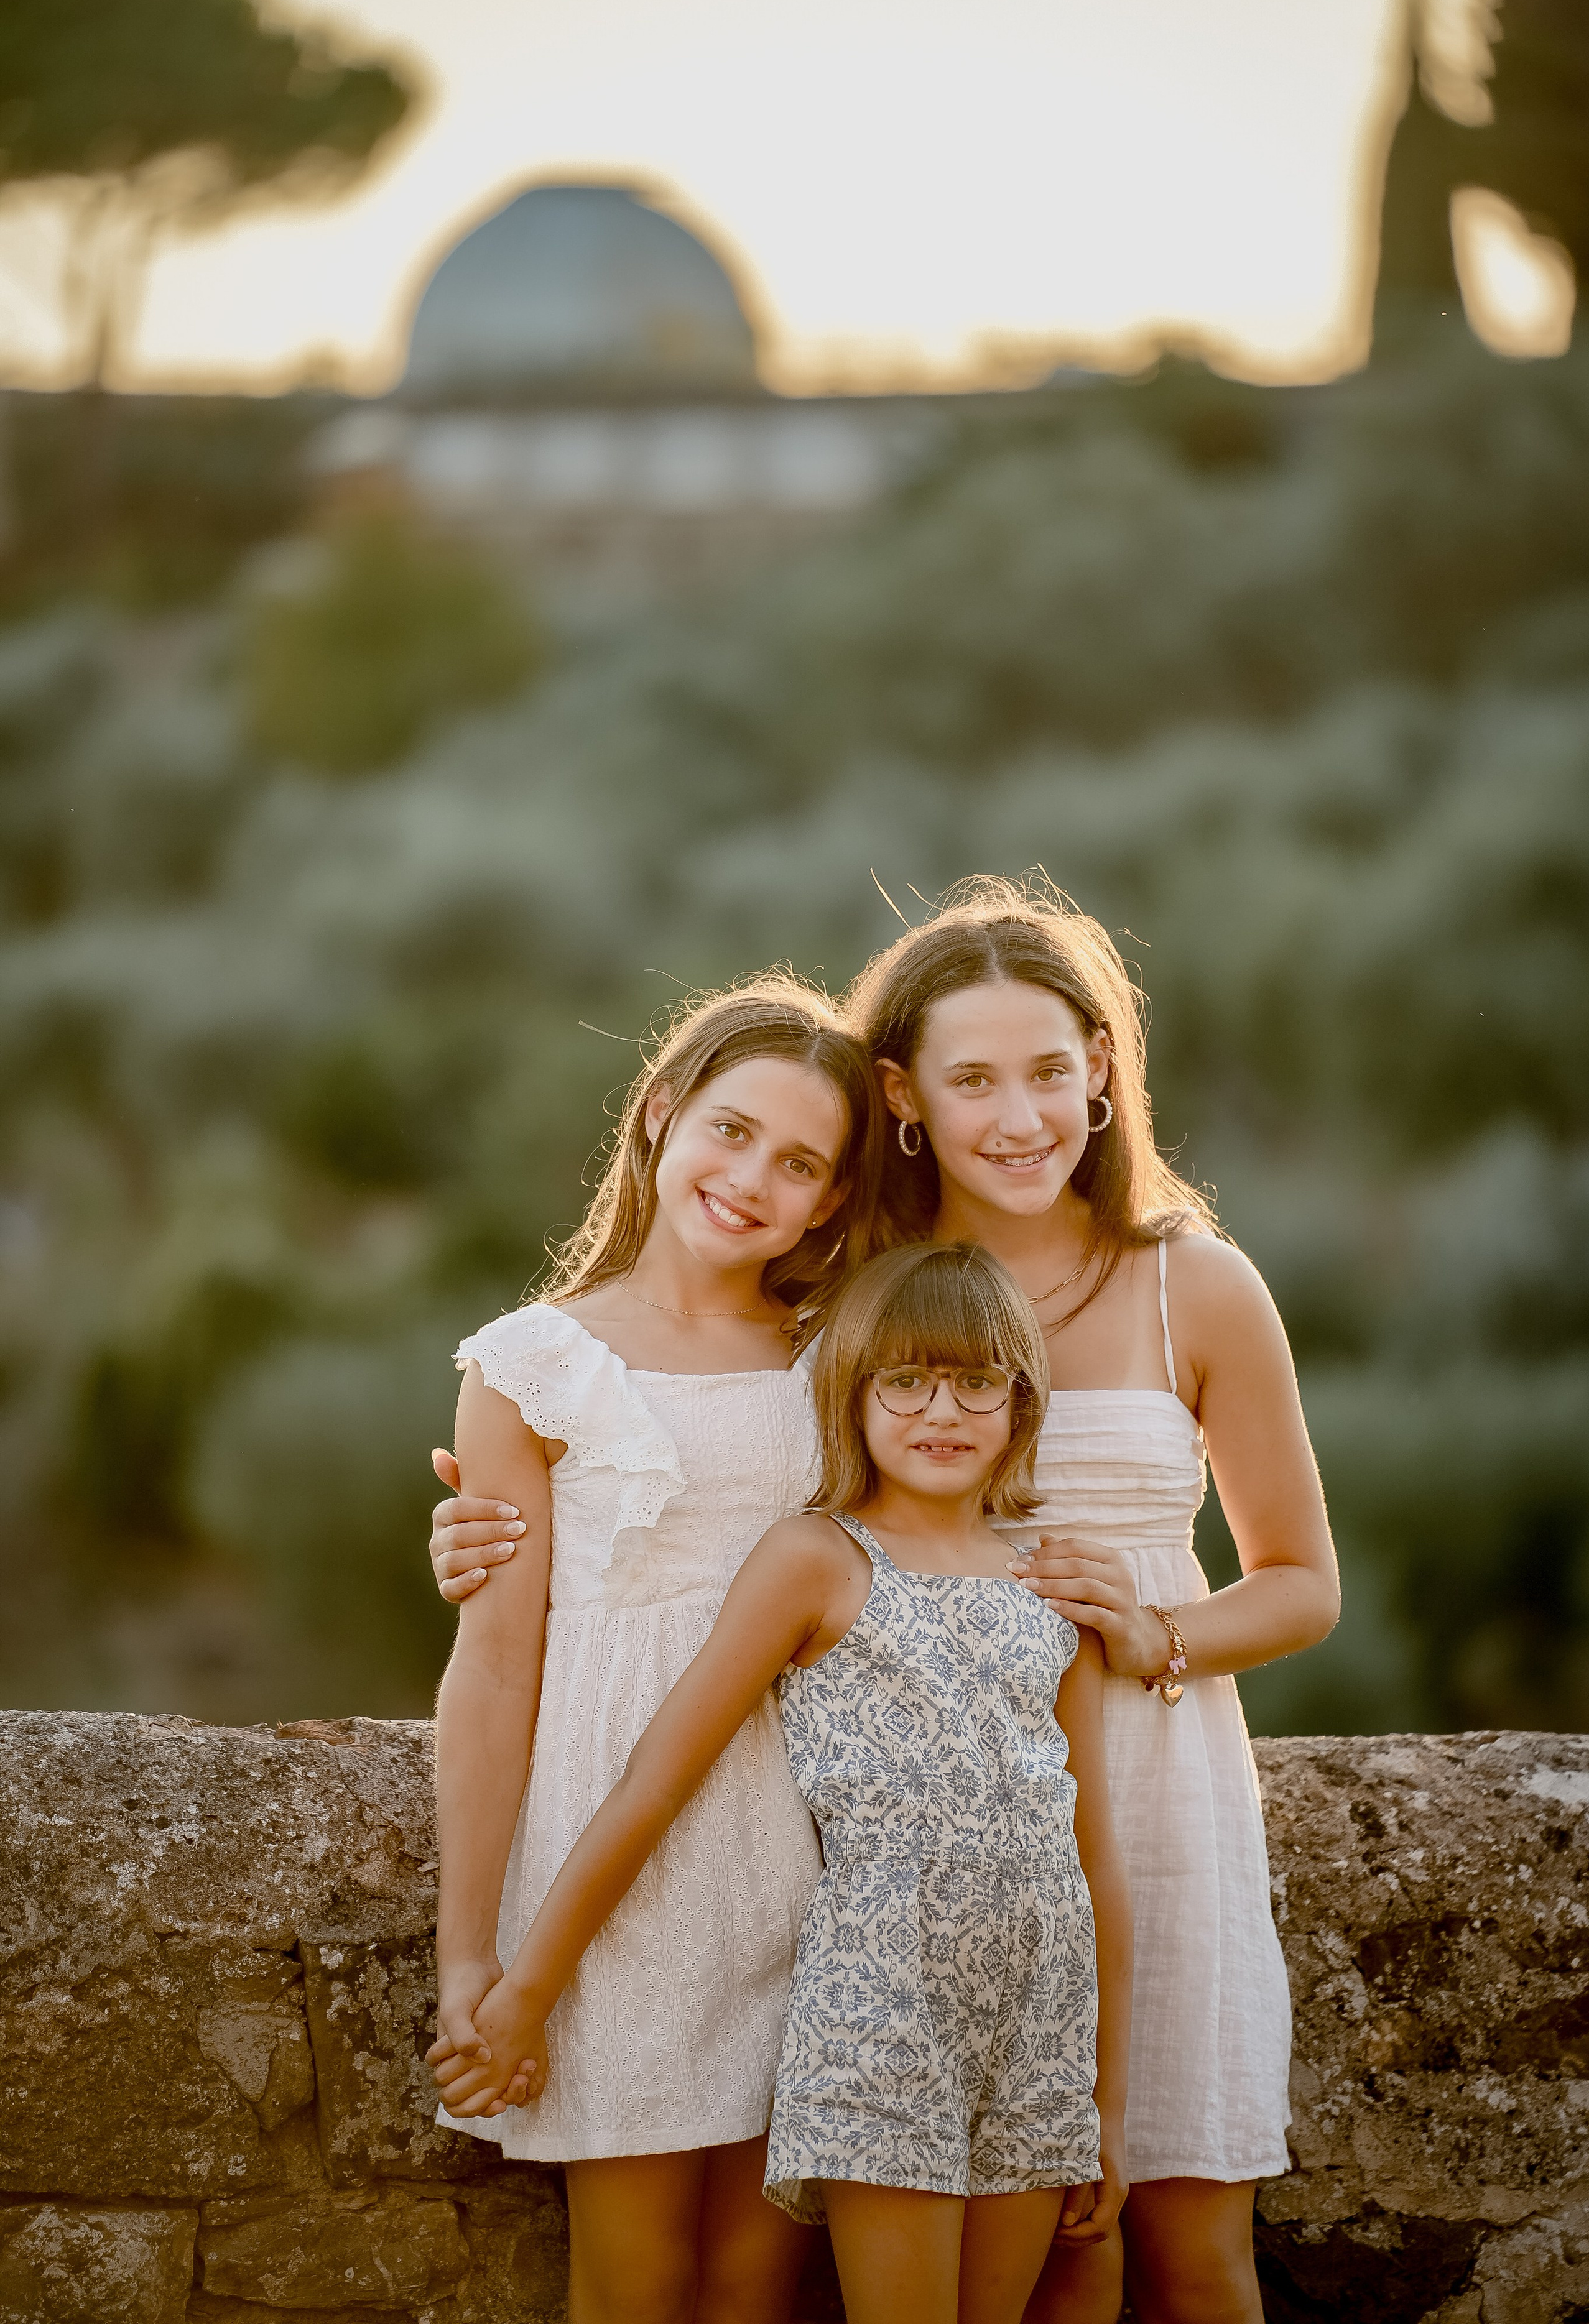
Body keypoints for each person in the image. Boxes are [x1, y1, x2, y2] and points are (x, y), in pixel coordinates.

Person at [432, 880, 1341, 2324]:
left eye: (1050, 1068)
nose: (1019, 1113)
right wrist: (500, 1523)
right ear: (907, 1098)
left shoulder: (1194, 1283)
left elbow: (1301, 1583)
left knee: (1176, 2242)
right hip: (889, 1835)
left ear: (1105, 1069)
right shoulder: (869, 1296)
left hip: (1143, 1778)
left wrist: (1155, 1632)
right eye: (970, 1078)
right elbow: (714, 1463)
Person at [431, 1242, 1132, 2324]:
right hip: (879, 2009)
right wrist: (522, 1991)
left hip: (1038, 2030)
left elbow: (1096, 1863)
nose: (941, 1410)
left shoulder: (1052, 1584)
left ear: (1022, 1400)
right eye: (905, 1381)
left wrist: (1106, 2113)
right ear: (851, 1399)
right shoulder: (818, 1559)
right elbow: (652, 1785)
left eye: (976, 1381)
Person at [427, 979, 884, 2324]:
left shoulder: (836, 1361)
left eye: (798, 1164)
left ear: (829, 1204)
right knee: (635, 2280)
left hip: (799, 1849)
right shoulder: (533, 1367)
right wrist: (470, 1955)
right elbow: (497, 1668)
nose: (752, 1180)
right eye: (731, 1132)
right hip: (600, 1865)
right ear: (660, 1115)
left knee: (757, 2285)